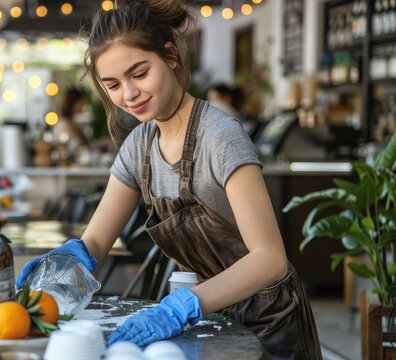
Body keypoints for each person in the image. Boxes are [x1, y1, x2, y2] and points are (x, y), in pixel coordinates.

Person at [17, 0, 321, 358]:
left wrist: (181, 306)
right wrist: (71, 259)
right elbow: (98, 238)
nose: (128, 95)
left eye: (139, 73)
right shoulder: (139, 147)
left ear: (171, 56)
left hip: (269, 323)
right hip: (207, 320)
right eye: (113, 84)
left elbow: (270, 258)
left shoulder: (220, 137)